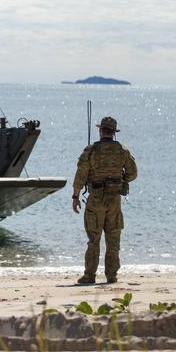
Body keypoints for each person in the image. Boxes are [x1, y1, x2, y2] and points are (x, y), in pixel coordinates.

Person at [72, 116, 137, 285]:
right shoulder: (122, 151)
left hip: (96, 199)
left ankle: (90, 275)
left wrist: (75, 197)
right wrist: (121, 179)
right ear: (114, 133)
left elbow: (80, 176)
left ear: (101, 131)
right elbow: (133, 173)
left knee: (94, 238)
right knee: (113, 238)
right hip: (114, 199)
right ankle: (111, 275)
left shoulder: (91, 150)